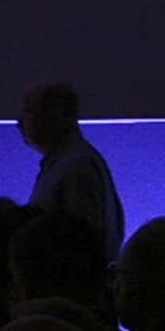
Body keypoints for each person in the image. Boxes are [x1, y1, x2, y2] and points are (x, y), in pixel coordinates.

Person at [17, 83, 125, 264]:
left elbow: (81, 240)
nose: (19, 122)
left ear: (56, 114)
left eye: (28, 111)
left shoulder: (76, 167)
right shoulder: (75, 162)